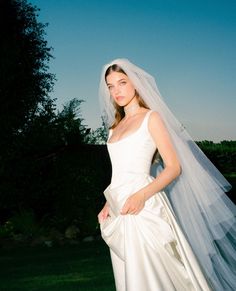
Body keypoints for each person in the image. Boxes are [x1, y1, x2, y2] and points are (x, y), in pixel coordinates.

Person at [98, 58, 236, 291]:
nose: (116, 91)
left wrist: (141, 196)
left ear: (135, 84)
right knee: (127, 275)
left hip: (144, 205)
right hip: (118, 206)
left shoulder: (151, 118)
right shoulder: (114, 127)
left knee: (151, 275)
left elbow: (173, 167)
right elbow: (118, 172)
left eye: (122, 82)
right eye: (111, 86)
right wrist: (107, 204)